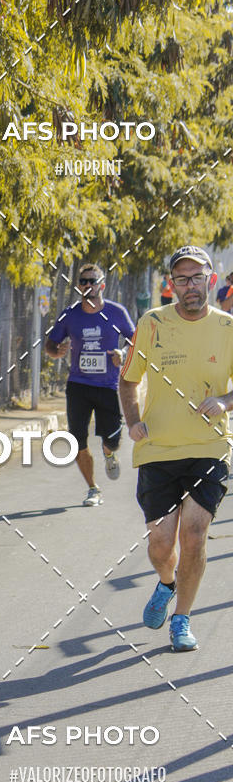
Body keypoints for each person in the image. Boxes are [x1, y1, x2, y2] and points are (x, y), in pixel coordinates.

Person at [120, 245, 233, 651]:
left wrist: (224, 401)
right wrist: (133, 423)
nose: (190, 285)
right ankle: (166, 583)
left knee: (196, 535)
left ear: (211, 280)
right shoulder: (151, 324)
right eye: (182, 278)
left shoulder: (228, 327)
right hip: (158, 449)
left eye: (197, 277)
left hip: (209, 445)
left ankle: (182, 619)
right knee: (161, 543)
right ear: (171, 285)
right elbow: (128, 380)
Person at [45, 262, 136, 506]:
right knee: (77, 439)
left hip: (107, 385)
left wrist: (123, 353)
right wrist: (58, 351)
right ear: (78, 286)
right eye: (83, 281)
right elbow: (50, 345)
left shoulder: (116, 312)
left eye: (92, 281)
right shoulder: (70, 314)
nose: (87, 285)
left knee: (113, 439)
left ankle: (109, 452)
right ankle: (93, 488)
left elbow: (134, 340)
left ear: (101, 285)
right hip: (78, 384)